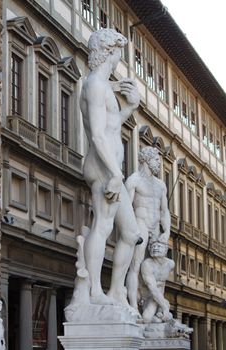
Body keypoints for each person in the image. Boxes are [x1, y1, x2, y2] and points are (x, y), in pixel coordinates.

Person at [80, 28, 142, 305]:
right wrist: (115, 174)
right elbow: (96, 134)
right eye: (118, 51)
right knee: (102, 226)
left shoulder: (104, 86)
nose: (120, 58)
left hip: (113, 169)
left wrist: (132, 106)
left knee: (130, 233)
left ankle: (116, 292)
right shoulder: (94, 84)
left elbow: (113, 125)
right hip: (104, 169)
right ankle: (94, 291)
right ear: (109, 51)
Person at [126, 146, 171, 310]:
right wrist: (131, 231)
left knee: (158, 267)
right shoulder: (133, 180)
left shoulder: (161, 185)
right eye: (156, 160)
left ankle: (156, 308)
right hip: (140, 222)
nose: (159, 163)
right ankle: (132, 306)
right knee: (135, 266)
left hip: (156, 228)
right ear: (146, 160)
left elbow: (164, 211)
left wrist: (167, 232)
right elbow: (126, 208)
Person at [140, 238, 174, 323]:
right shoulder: (147, 264)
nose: (155, 248)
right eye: (153, 246)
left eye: (159, 246)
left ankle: (160, 310)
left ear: (165, 250)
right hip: (145, 295)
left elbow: (162, 284)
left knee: (156, 316)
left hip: (158, 296)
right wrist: (164, 307)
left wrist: (161, 303)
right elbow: (152, 288)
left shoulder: (170, 264)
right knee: (146, 318)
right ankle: (162, 308)